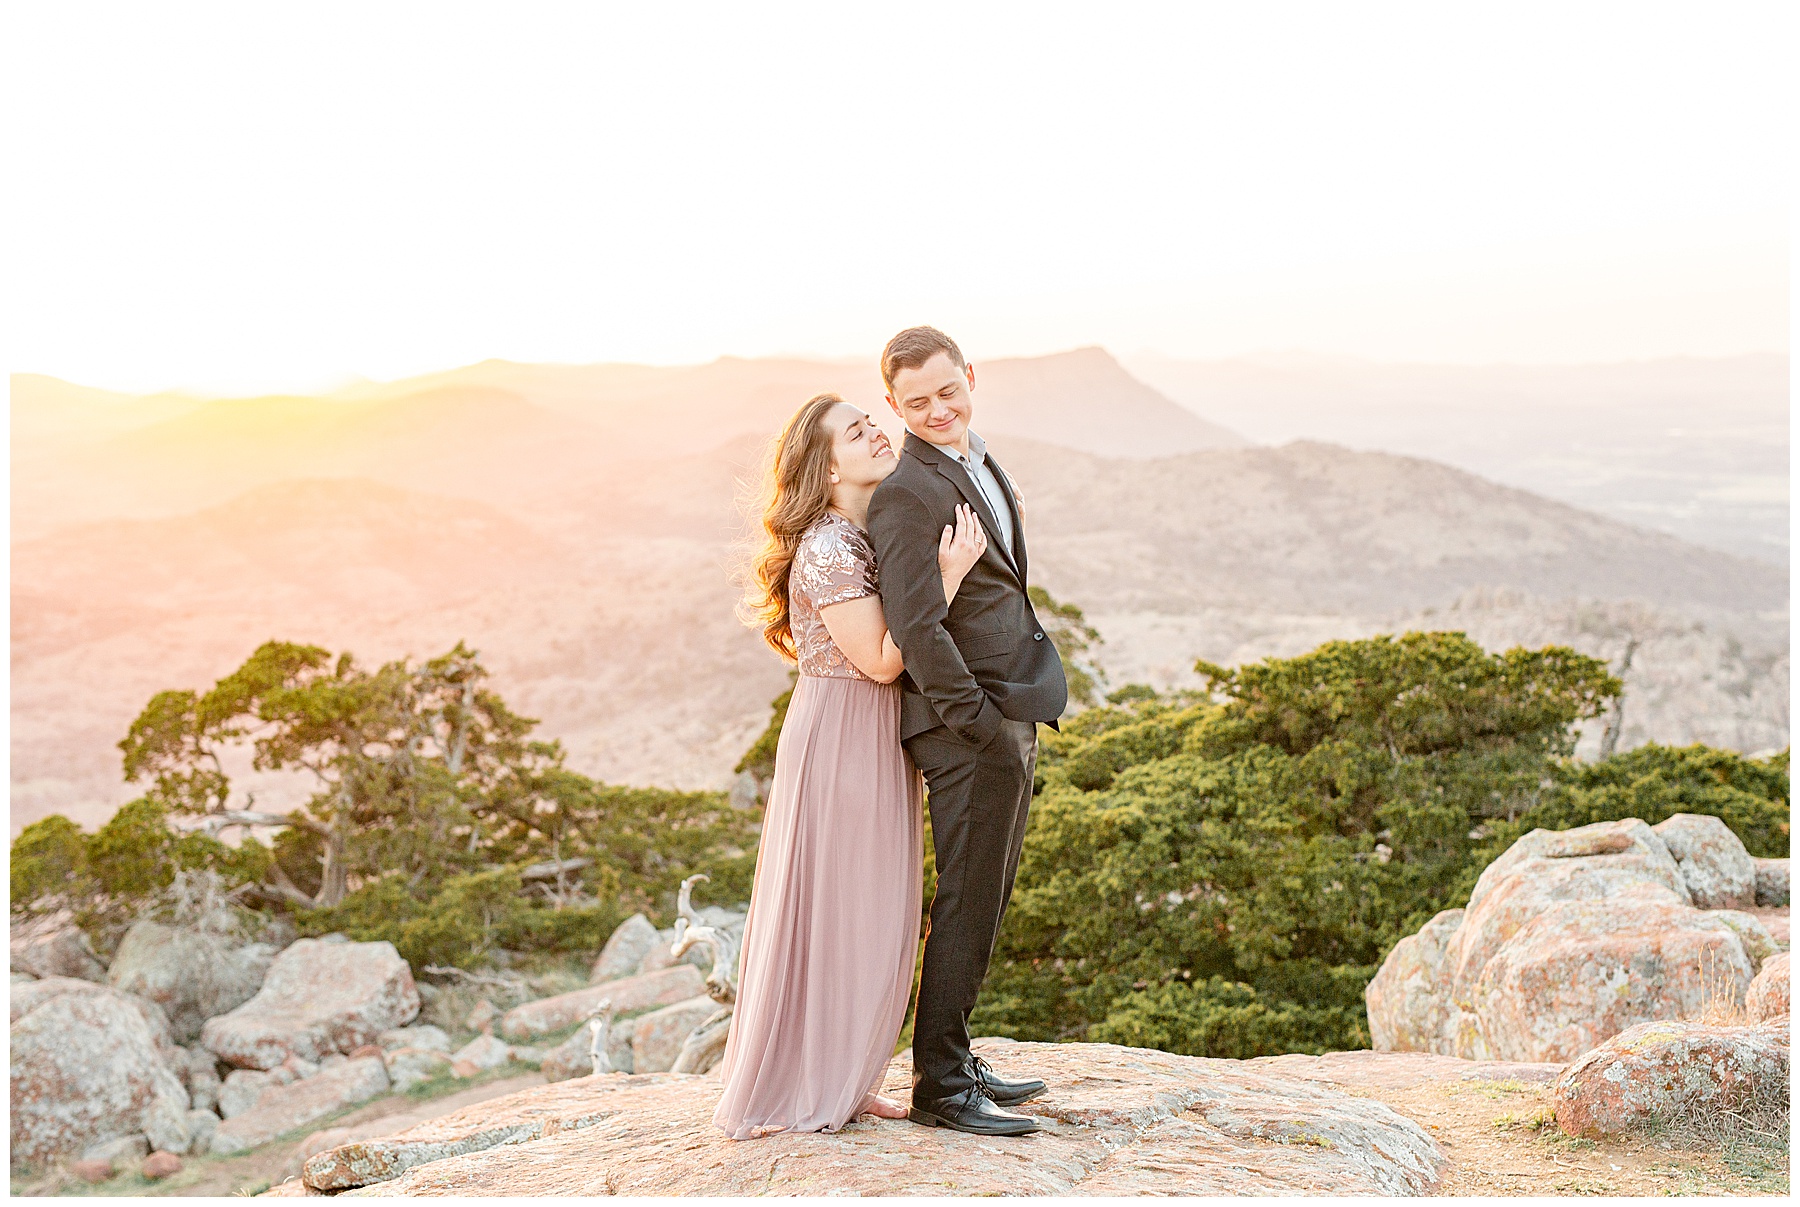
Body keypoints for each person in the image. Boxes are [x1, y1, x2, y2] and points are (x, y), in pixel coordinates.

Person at [714, 391, 989, 1139]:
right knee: (838, 910)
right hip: (842, 733)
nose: (874, 432)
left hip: (869, 734)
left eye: (872, 422)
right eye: (855, 431)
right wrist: (946, 576)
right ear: (825, 467)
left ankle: (846, 1072)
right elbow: (875, 660)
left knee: (864, 908)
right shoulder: (830, 547)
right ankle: (815, 1081)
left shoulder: (863, 532)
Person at [867, 326, 1069, 1137]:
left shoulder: (976, 460)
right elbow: (918, 627)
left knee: (985, 896)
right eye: (916, 402)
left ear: (970, 377)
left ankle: (955, 1055)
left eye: (948, 391)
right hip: (966, 725)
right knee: (965, 899)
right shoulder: (905, 491)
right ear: (893, 405)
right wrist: (980, 724)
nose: (937, 409)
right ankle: (941, 1086)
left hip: (1004, 708)